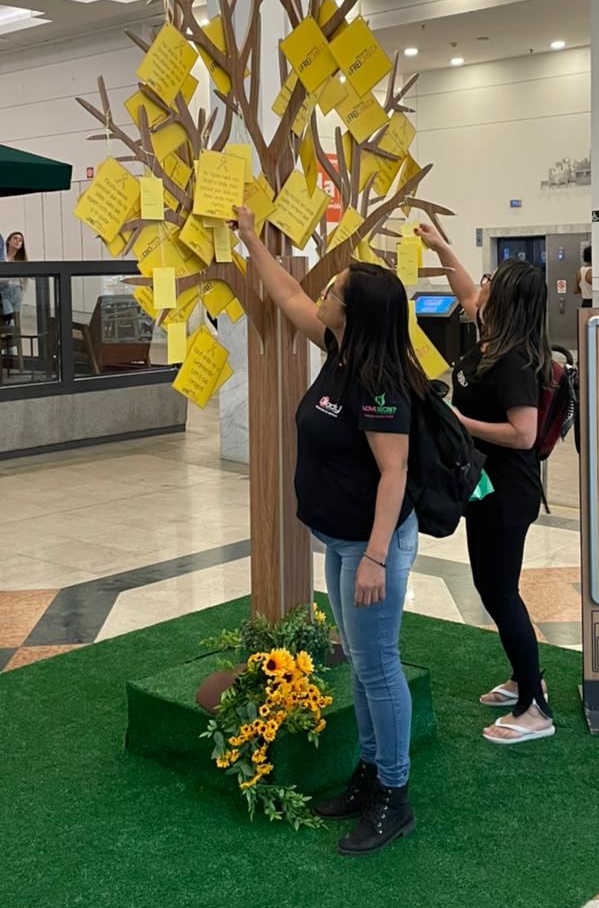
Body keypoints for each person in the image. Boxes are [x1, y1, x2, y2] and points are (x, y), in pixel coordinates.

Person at [231, 204, 427, 855]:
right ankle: (370, 774)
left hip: (374, 545)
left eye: (335, 291)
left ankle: (393, 798)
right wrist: (253, 237)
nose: (324, 291)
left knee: (378, 667)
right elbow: (287, 293)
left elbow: (394, 475)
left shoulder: (380, 382)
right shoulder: (339, 347)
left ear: (356, 311)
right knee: (366, 668)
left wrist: (375, 557)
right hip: (343, 541)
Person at [415, 223, 555, 745]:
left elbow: (523, 435)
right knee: (492, 587)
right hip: (484, 489)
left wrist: (455, 420)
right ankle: (525, 676)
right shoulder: (491, 337)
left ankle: (535, 708)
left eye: (492, 278)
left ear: (509, 297)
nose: (482, 283)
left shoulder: (515, 359)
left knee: (499, 592)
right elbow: (465, 291)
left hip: (507, 494)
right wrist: (439, 246)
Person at [0, 231, 28, 317]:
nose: (18, 241)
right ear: (8, 241)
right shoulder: (1, 257)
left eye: (20, 240)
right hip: (3, 290)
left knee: (17, 319)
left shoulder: (21, 260)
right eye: (15, 238)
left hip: (17, 290)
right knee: (9, 318)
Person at [575, 244, 592, 308]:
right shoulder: (593, 271)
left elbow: (576, 290)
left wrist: (585, 289)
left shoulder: (580, 271)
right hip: (594, 303)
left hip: (585, 303)